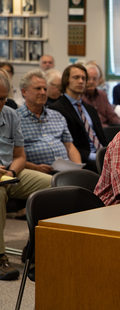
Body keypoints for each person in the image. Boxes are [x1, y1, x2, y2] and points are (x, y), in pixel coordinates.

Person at [0, 73, 51, 281]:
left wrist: (12, 172)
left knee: (54, 187)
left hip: (10, 173)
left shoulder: (11, 114)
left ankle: (37, 250)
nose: (0, 103)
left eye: (3, 98)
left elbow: (20, 156)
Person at [17, 70, 81, 174]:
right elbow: (13, 156)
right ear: (24, 92)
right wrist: (35, 167)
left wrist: (78, 168)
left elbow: (70, 146)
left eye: (45, 89)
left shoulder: (57, 116)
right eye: (38, 88)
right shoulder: (15, 119)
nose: (43, 92)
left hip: (65, 171)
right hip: (35, 172)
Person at [49, 64, 107, 172]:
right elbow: (65, 145)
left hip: (103, 156)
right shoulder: (56, 109)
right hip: (83, 160)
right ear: (66, 81)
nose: (81, 81)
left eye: (84, 78)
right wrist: (96, 157)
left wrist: (108, 154)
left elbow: (101, 138)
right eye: (76, 77)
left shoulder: (90, 109)